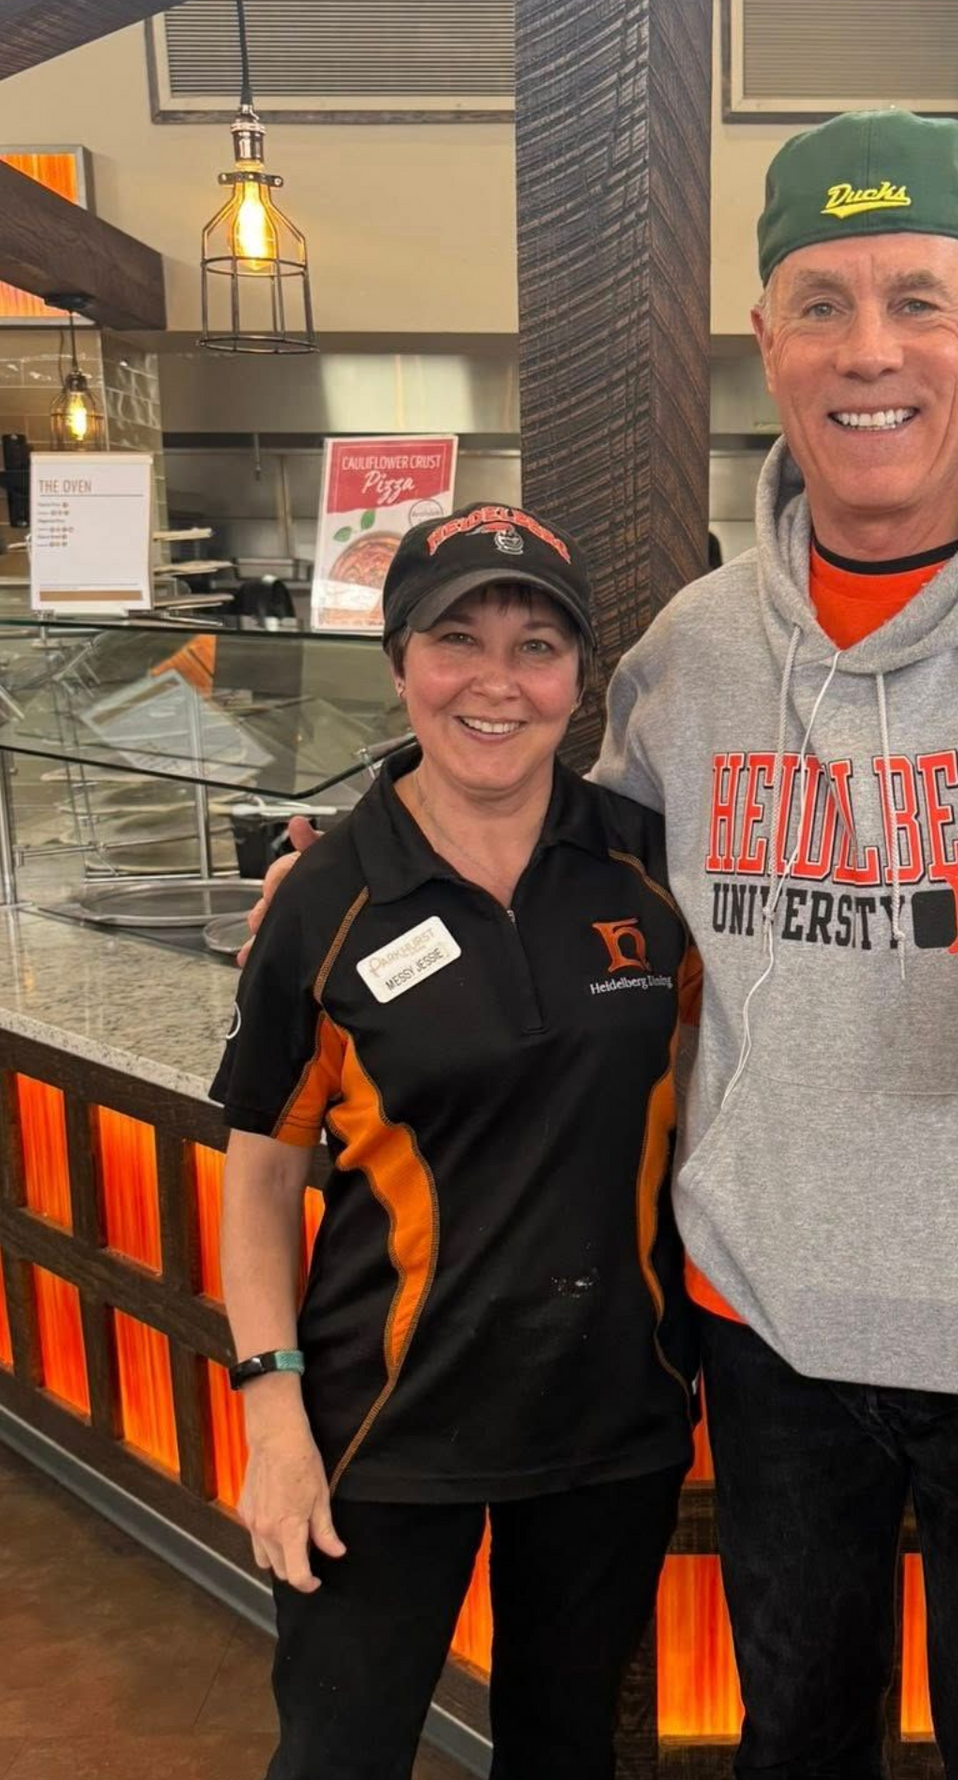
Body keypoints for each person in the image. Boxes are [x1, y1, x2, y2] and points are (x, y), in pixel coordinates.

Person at [250, 109, 958, 1779]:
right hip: (771, 1329)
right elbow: (561, 844)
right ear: (769, 342)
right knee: (793, 1744)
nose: (870, 350)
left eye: (916, 299)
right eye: (822, 302)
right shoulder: (695, 649)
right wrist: (353, 849)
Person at [215, 502, 697, 1780]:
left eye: (538, 646)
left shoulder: (651, 868)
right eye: (456, 638)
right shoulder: (325, 898)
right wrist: (271, 1412)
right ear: (399, 662)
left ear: (579, 679)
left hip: (611, 1407)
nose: (498, 682)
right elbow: (260, 1171)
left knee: (566, 1749)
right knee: (339, 1754)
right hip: (384, 1420)